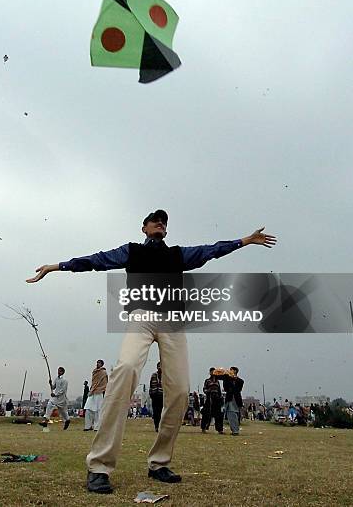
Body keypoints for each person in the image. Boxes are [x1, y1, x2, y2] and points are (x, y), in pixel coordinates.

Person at [26, 209, 276, 494]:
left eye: (164, 221)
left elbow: (212, 250)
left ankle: (159, 463)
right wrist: (56, 266)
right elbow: (95, 260)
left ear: (166, 231)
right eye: (155, 219)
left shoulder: (178, 255)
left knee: (181, 391)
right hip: (142, 317)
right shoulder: (131, 252)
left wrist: (245, 240)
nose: (160, 222)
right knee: (126, 370)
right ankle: (99, 467)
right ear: (143, 228)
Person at [84, 360, 108, 431]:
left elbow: (105, 383)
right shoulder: (94, 371)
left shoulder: (104, 373)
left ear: (102, 364)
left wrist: (100, 388)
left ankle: (97, 427)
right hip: (92, 392)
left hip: (99, 392)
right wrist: (92, 389)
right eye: (97, 363)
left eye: (99, 363)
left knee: (98, 410)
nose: (97, 364)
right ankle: (87, 426)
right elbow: (94, 382)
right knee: (88, 409)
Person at [201, 367, 224, 434]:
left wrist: (220, 398)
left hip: (216, 399)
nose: (213, 373)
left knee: (218, 415)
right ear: (210, 372)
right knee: (206, 414)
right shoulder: (207, 381)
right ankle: (204, 427)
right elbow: (204, 389)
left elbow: (219, 391)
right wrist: (208, 391)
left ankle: (220, 429)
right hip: (209, 398)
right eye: (212, 371)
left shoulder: (217, 381)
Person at [223, 367, 244, 435]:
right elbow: (225, 388)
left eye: (231, 370)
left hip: (236, 399)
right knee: (231, 415)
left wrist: (235, 378)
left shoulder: (240, 381)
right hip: (229, 398)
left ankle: (235, 430)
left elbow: (239, 388)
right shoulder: (227, 379)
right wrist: (228, 378)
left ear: (235, 371)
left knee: (234, 415)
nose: (230, 371)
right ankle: (235, 430)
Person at [149, 362, 163, 432]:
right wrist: (151, 394)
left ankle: (160, 425)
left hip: (162, 395)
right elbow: (151, 385)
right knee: (155, 411)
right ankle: (156, 426)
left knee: (161, 411)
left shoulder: (165, 375)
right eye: (158, 367)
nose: (160, 368)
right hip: (155, 395)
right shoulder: (154, 375)